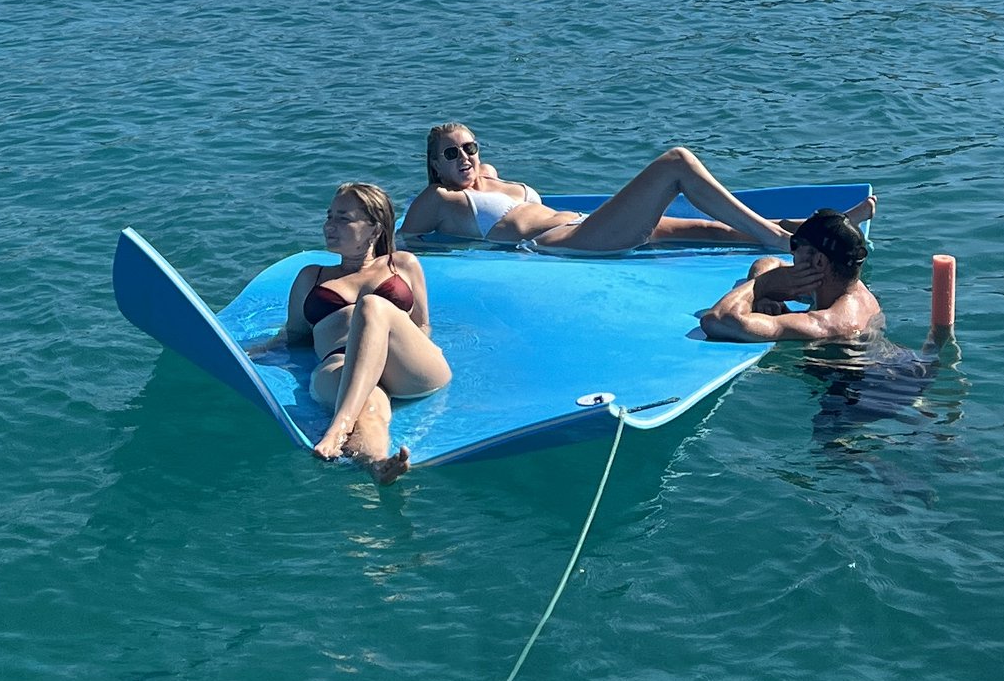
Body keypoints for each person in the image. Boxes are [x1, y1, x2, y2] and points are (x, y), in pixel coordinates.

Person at [402, 123, 823, 257]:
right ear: (436, 164)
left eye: (469, 147)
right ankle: (779, 239)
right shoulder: (441, 199)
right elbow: (407, 238)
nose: (464, 157)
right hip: (565, 241)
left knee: (708, 228)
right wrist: (468, 252)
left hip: (585, 224)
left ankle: (811, 231)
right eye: (451, 153)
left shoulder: (490, 175)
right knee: (676, 162)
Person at [263, 180, 449, 471]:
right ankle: (377, 464)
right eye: (329, 216)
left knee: (372, 305)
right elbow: (295, 335)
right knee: (370, 409)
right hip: (342, 366)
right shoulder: (311, 277)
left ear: (375, 229)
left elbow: (422, 326)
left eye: (343, 218)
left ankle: (339, 425)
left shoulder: (402, 264)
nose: (329, 225)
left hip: (408, 367)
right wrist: (252, 352)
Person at [697, 209, 883, 345]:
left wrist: (762, 285)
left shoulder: (827, 323)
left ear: (819, 261)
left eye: (795, 245)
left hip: (868, 392)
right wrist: (766, 296)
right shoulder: (843, 285)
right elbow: (769, 262)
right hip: (897, 371)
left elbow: (718, 320)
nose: (791, 253)